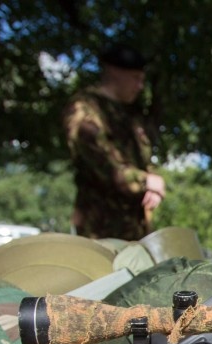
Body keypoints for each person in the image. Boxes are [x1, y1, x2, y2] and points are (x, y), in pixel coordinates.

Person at [63, 43, 165, 241]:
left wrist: (153, 184)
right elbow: (103, 164)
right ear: (114, 73)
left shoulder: (131, 115)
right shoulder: (84, 109)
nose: (140, 86)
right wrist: (146, 181)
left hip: (136, 230)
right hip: (100, 231)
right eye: (136, 78)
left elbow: (142, 159)